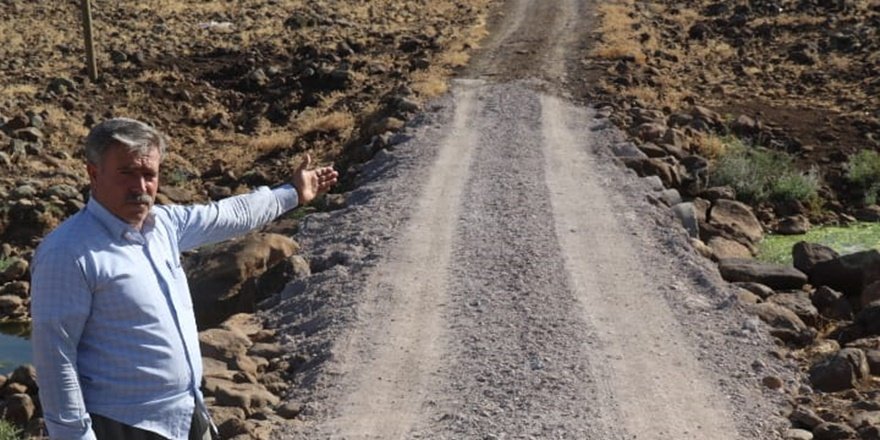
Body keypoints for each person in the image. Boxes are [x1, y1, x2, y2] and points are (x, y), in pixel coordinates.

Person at [30, 118, 338, 440]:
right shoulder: (68, 253)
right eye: (126, 173)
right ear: (94, 173)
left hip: (188, 413)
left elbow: (230, 214)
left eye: (149, 174)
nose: (140, 187)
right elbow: (56, 359)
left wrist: (293, 193)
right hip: (126, 426)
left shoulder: (163, 225)